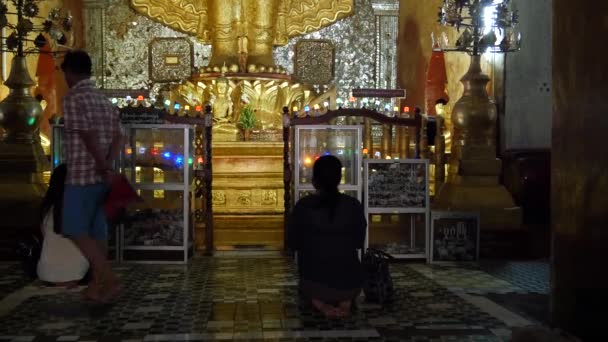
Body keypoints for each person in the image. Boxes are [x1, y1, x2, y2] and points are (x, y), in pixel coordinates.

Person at [61, 50, 122, 302]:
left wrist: (100, 164)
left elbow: (87, 135)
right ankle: (98, 287)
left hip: (81, 176)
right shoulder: (103, 99)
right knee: (97, 231)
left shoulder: (73, 98)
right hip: (101, 178)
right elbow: (119, 136)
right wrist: (108, 165)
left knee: (74, 228)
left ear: (70, 72)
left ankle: (109, 278)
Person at [288, 155, 367, 317]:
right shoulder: (352, 205)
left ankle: (320, 304)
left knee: (311, 271)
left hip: (313, 283)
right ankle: (345, 302)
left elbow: (293, 243)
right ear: (339, 178)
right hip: (350, 284)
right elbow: (359, 241)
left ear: (314, 179)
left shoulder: (303, 207)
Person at [37, 164, 90, 286]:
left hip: (46, 271)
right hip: (76, 271)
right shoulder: (80, 208)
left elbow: (45, 236)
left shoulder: (46, 209)